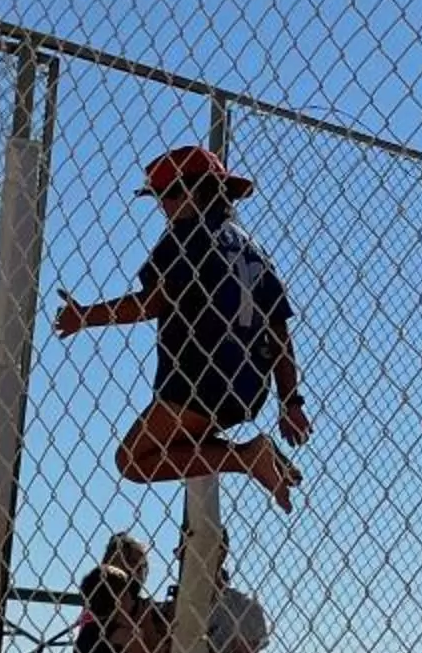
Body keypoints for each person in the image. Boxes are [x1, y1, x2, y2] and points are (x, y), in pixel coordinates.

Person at [52, 145, 310, 510]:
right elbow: (280, 332)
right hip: (250, 387)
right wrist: (290, 401)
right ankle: (249, 456)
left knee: (133, 460)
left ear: (192, 191)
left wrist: (85, 317)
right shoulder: (254, 249)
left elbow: (152, 302)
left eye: (167, 195)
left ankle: (248, 456)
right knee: (171, 450)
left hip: (198, 376)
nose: (164, 208)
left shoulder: (187, 237)